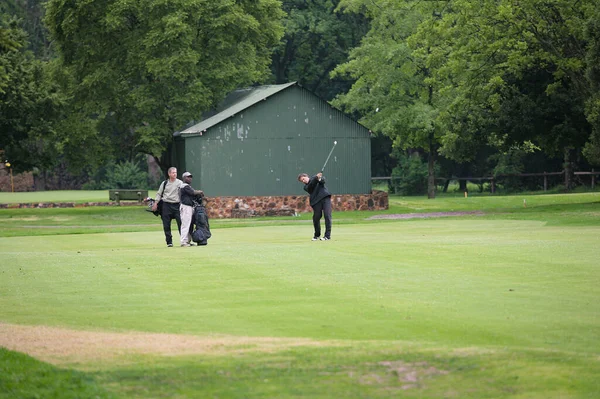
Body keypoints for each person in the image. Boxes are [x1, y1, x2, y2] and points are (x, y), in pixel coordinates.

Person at [152, 167, 183, 247]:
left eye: (175, 172)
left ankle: (183, 240)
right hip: (166, 205)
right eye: (173, 172)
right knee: (166, 224)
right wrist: (155, 203)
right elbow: (159, 193)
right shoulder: (164, 183)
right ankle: (169, 242)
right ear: (169, 174)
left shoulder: (180, 183)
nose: (175, 174)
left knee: (181, 223)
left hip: (177, 205)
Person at [297, 172, 332, 241]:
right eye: (302, 181)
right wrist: (316, 177)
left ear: (306, 176)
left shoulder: (316, 178)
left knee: (327, 215)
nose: (303, 181)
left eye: (303, 179)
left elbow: (323, 181)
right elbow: (311, 186)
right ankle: (317, 235)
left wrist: (319, 178)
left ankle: (327, 236)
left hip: (325, 198)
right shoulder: (306, 187)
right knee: (316, 218)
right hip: (316, 202)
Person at [179, 172, 203, 247]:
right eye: (188, 177)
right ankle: (183, 241)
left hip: (189, 207)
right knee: (185, 224)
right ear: (184, 178)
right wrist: (200, 192)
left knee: (189, 224)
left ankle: (188, 241)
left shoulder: (187, 186)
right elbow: (193, 192)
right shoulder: (184, 186)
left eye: (190, 177)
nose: (190, 178)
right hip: (185, 207)